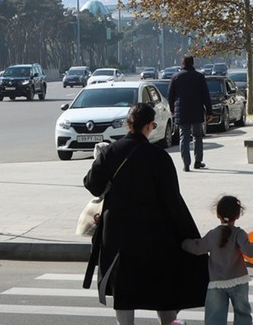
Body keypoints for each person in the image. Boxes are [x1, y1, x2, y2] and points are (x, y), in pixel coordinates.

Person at [83, 102, 208, 325]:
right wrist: (187, 233)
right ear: (150, 125)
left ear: (128, 123)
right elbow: (172, 199)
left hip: (118, 234)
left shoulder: (110, 151)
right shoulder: (159, 157)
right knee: (162, 287)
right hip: (154, 234)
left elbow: (92, 184)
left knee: (124, 290)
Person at [182, 195, 253, 325]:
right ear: (238, 216)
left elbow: (198, 247)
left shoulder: (213, 234)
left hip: (217, 283)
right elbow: (248, 249)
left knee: (215, 317)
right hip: (239, 281)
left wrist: (183, 243)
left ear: (218, 215)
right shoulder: (239, 233)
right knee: (243, 314)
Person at [168, 55, 213, 172]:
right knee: (197, 136)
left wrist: (172, 109)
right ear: (193, 63)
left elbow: (170, 96)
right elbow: (205, 96)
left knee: (184, 138)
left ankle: (186, 164)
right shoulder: (199, 77)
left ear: (182, 63)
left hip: (182, 112)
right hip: (196, 110)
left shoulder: (175, 77)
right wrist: (209, 111)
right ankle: (198, 161)